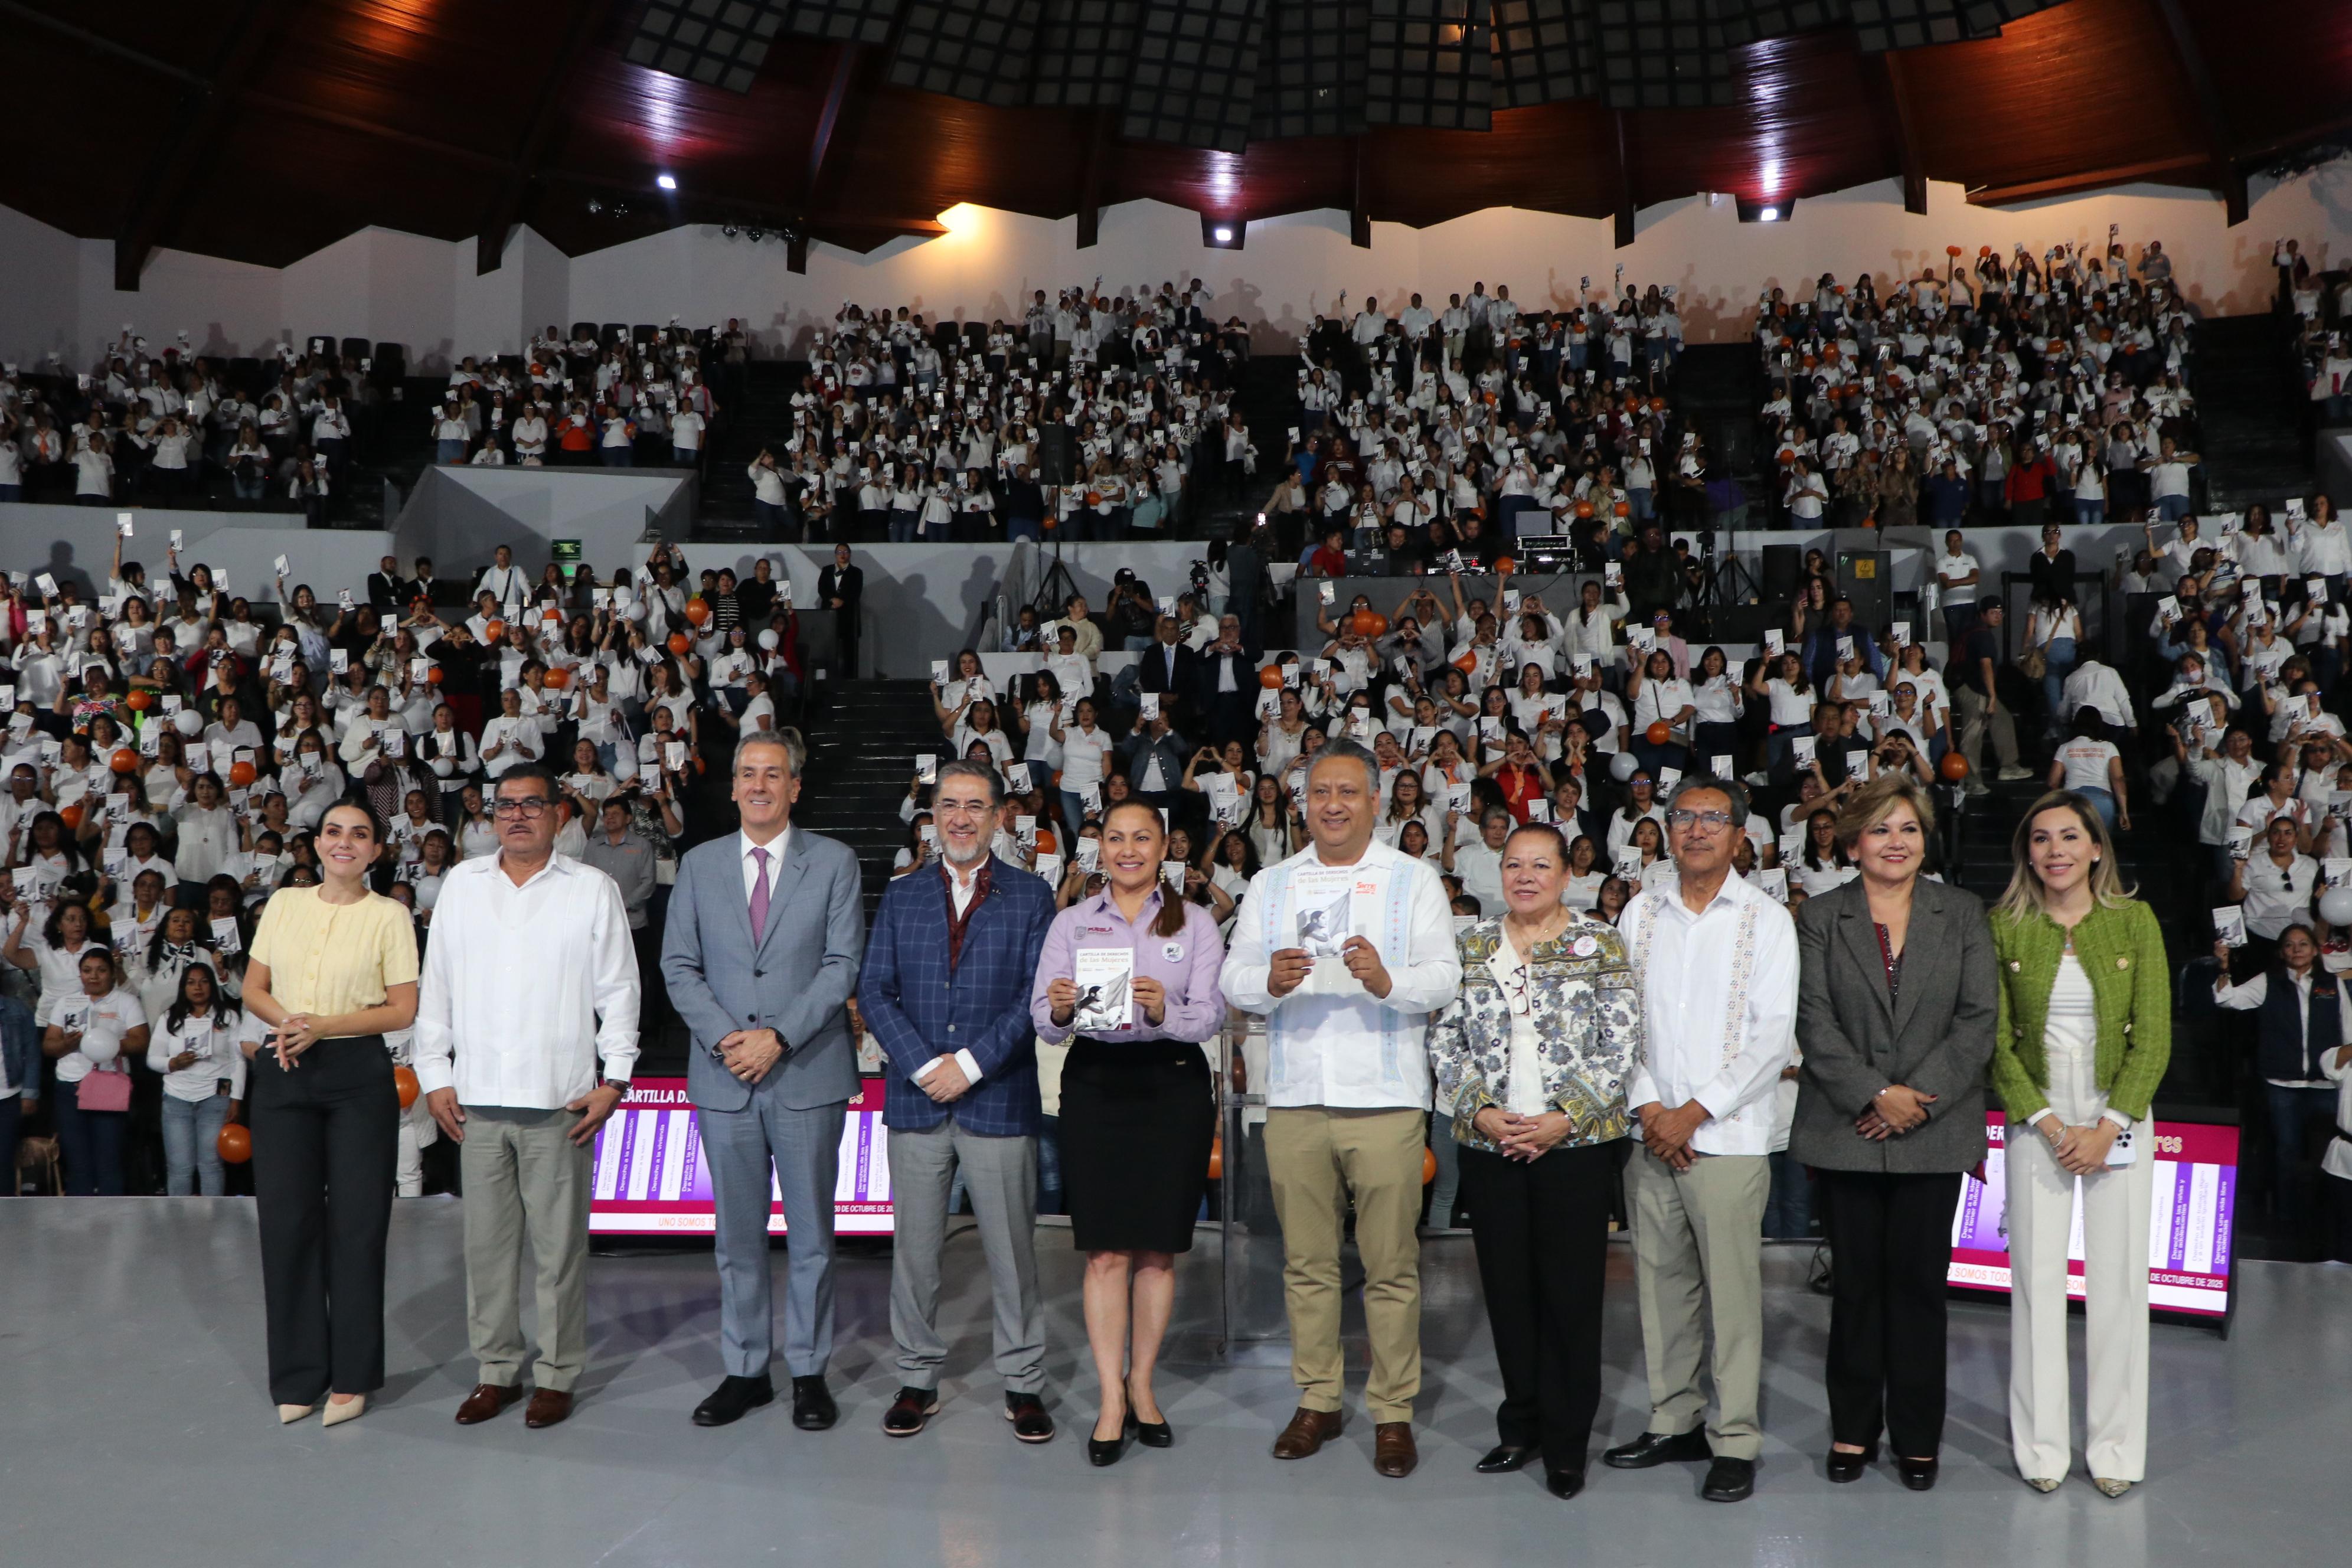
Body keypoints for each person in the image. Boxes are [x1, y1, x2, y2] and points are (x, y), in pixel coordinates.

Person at [1220, 740, 1462, 1479]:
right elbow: (1234, 977)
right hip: (1296, 1094)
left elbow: (1445, 976)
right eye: (1320, 791)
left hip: (1385, 1096)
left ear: (1376, 800)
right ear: (1303, 802)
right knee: (1306, 1263)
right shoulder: (1273, 883)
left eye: (1348, 791)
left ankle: (1392, 1410)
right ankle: (1319, 1398)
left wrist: (1388, 981)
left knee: (1391, 1265)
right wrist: (1270, 980)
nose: (1332, 804)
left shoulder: (1412, 879)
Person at [413, 763, 641, 1431]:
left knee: (559, 1251)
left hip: (559, 1101)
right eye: (505, 805)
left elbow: (620, 991)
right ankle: (496, 1371)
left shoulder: (590, 889)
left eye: (531, 804)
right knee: (486, 1251)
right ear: (490, 816)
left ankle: (558, 1374)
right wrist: (434, 1073)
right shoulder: (463, 884)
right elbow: (437, 985)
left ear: (558, 814)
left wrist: (616, 1078)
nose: (516, 816)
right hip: (477, 1100)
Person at [1790, 775, 1995, 1491]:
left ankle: (1917, 1435)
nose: (1895, 841)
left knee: (1919, 1290)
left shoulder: (1962, 912)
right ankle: (1852, 1428)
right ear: (1852, 844)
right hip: (1847, 1127)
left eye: (1908, 828)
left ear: (1925, 839)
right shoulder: (1821, 915)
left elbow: (1978, 1020)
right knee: (1855, 1289)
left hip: (1933, 1132)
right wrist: (1875, 1093)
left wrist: (1916, 1101)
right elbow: (1813, 1019)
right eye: (1879, 829)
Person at [1426, 821, 1638, 1500]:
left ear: (1566, 875)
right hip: (1493, 1144)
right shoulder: (1473, 945)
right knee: (1508, 1293)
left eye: (1541, 865)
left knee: (1571, 1296)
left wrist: (1563, 1117)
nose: (1525, 876)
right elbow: (1445, 1040)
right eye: (1514, 864)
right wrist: (1481, 1110)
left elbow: (1620, 1043)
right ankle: (1520, 1425)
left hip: (1573, 1146)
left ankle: (1568, 1443)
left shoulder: (1599, 942)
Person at [661, 731, 864, 1430]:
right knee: (737, 1238)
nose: (758, 785)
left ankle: (809, 1372)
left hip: (806, 1072)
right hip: (725, 1079)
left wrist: (777, 1036)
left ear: (795, 787)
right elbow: (678, 965)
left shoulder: (834, 862)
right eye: (747, 773)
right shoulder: (699, 865)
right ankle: (746, 1370)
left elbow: (842, 964)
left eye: (773, 774)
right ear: (732, 785)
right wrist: (728, 1039)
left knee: (812, 1238)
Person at [1605, 774, 1796, 1504]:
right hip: (1650, 1133)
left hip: (1728, 1137)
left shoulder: (1765, 919)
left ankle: (1735, 1437)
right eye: (1683, 815)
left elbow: (1772, 1038)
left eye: (1713, 817)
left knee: (1732, 1297)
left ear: (1740, 835)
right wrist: (1652, 1108)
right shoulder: (1640, 913)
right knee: (1661, 1289)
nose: (1696, 828)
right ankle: (1674, 1420)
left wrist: (1693, 1113)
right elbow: (1619, 1021)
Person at [857, 759, 1058, 1442]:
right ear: (933, 816)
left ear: (999, 816)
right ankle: (916, 1378)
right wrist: (924, 1067)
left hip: (996, 1097)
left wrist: (968, 1065)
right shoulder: (903, 894)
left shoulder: (1031, 896)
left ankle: (1024, 1382)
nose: (962, 818)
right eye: (950, 805)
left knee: (1013, 1254)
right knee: (915, 1253)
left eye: (976, 806)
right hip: (918, 1100)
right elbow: (874, 989)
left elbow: (1034, 997)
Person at [1029, 800, 1226, 1465]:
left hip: (1172, 1084)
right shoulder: (1072, 923)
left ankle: (1143, 1385)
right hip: (1096, 1084)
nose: (1129, 849)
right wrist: (1061, 1009)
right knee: (1105, 1252)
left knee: (1158, 1251)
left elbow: (1210, 1016)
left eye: (1142, 838)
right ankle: (1111, 1398)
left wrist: (1166, 1009)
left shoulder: (1195, 922)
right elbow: (1043, 1020)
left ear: (1163, 847)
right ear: (1101, 848)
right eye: (1116, 838)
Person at [1988, 790, 2170, 1497]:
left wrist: (2107, 1126)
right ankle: (2041, 1449)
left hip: (2115, 1115)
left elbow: (2154, 1035)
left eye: (2070, 836)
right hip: (2038, 1119)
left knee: (2119, 1285)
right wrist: (2050, 1124)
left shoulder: (2134, 920)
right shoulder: (2004, 925)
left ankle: (2116, 1449)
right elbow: (1995, 1043)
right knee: (2035, 1284)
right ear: (2027, 854)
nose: (2055, 849)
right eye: (2041, 838)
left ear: (2097, 847)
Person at [241, 798, 422, 1427]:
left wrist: (324, 1026)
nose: (345, 842)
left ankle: (352, 1376)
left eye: (360, 834)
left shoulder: (390, 915)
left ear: (376, 850)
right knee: (286, 1225)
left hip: (357, 1077)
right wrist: (294, 1024)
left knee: (357, 1226)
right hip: (284, 1064)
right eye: (334, 831)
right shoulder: (284, 904)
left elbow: (401, 1009)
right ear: (317, 844)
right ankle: (298, 1375)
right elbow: (253, 987)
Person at [2212, 923, 2344, 1249]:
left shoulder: (2333, 984)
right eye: (2289, 945)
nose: (2297, 950)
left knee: (2327, 1155)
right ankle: (2287, 1219)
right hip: (2282, 1084)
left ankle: (2323, 1220)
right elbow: (2227, 999)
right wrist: (2224, 967)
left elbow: (2349, 1031)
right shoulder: (2268, 981)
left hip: (2326, 1085)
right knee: (2286, 1152)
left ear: (2315, 950)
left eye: (2303, 944)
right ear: (2281, 952)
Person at [42, 948, 149, 1197]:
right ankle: (80, 1220)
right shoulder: (66, 1003)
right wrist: (67, 1043)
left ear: (112, 973)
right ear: (80, 974)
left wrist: (109, 1045)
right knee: (78, 1163)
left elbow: (141, 1041)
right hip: (70, 1087)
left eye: (101, 970)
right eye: (87, 970)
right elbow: (48, 1045)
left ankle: (112, 1218)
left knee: (109, 1161)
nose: (93, 976)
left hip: (108, 1086)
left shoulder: (126, 1002)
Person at [145, 960, 246, 1196]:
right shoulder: (170, 1018)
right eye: (191, 983)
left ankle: (212, 1216)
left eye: (204, 982)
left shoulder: (228, 1017)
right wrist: (173, 1063)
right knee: (180, 1168)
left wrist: (236, 1099)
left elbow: (238, 1061)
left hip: (215, 1097)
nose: (198, 987)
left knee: (211, 1165)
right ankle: (179, 1217)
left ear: (212, 985)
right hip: (177, 1098)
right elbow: (152, 1059)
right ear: (184, 987)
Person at [818, 543, 863, 678]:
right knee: (829, 650)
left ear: (850, 554)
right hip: (829, 615)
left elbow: (856, 592)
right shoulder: (827, 570)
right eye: (839, 552)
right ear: (835, 554)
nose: (842, 555)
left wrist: (842, 601)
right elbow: (822, 589)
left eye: (845, 552)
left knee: (849, 651)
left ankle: (850, 680)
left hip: (849, 617)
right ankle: (829, 679)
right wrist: (832, 599)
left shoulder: (857, 572)